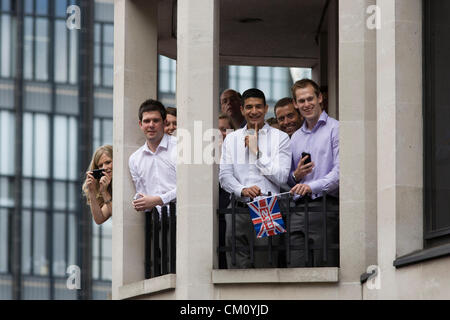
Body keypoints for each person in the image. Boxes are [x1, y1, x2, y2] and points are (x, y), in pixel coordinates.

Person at [219, 88, 291, 269]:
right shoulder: (231, 139)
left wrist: (257, 153)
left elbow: (282, 177)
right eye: (249, 107)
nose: (254, 111)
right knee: (236, 265)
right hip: (237, 205)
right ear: (242, 110)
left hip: (267, 205)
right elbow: (224, 176)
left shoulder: (280, 138)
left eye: (258, 106)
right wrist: (241, 190)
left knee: (266, 264)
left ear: (266, 108)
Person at [288, 79, 339, 267]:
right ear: (295, 104)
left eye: (310, 99)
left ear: (320, 98)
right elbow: (289, 179)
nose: (306, 104)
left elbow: (340, 173)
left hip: (326, 206)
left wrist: (310, 186)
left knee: (324, 268)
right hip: (298, 211)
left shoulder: (335, 129)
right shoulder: (295, 138)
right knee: (296, 269)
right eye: (301, 101)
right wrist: (296, 175)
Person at [129, 99, 177, 213]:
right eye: (147, 121)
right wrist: (139, 201)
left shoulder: (180, 147)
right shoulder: (134, 159)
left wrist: (158, 200)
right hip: (154, 225)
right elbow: (141, 194)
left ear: (164, 122)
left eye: (155, 120)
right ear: (140, 124)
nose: (151, 125)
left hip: (183, 221)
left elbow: (188, 187)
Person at [82, 145, 113, 225]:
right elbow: (99, 219)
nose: (104, 167)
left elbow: (119, 217)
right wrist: (92, 191)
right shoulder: (106, 186)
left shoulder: (123, 181)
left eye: (108, 162)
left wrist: (105, 193)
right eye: (100, 165)